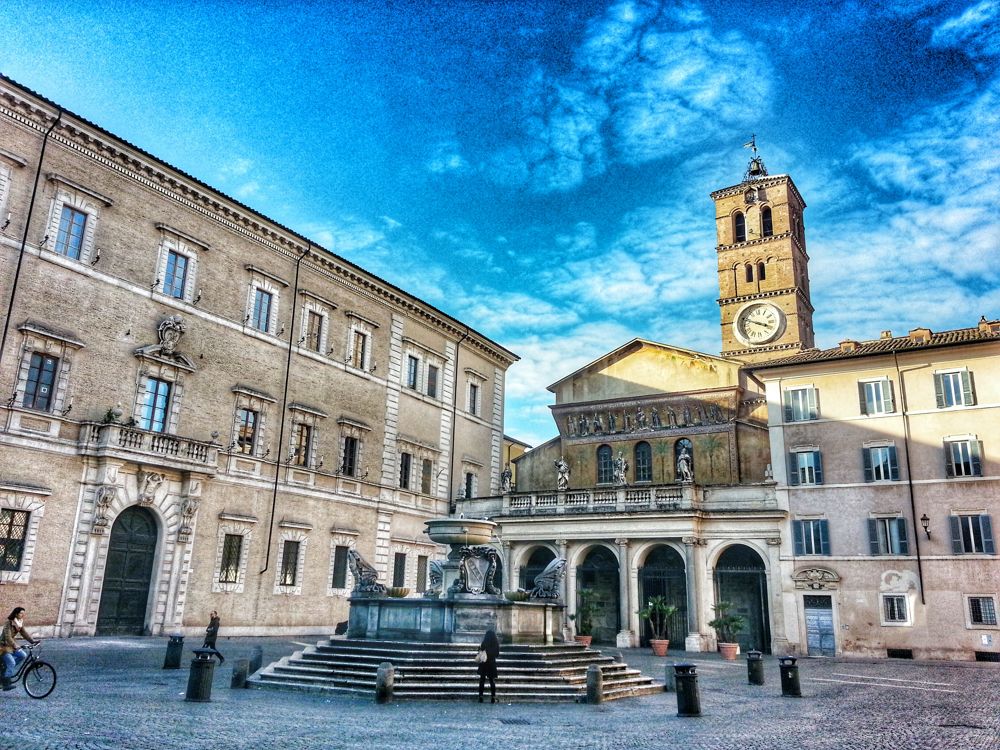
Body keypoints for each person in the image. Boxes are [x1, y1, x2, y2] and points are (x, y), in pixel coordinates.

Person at [2, 607, 38, 690]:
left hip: (11, 646)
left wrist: (32, 641)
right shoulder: (9, 623)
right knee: (11, 662)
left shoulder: (19, 622)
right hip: (3, 646)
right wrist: (15, 644)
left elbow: (24, 633)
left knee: (23, 655)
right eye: (21, 613)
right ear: (16, 614)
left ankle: (7, 669)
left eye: (23, 613)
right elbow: (7, 636)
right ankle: (5, 683)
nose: (23, 615)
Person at [477, 628, 500, 703]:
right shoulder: (495, 643)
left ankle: (480, 695)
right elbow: (497, 654)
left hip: (484, 663)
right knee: (491, 681)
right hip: (491, 663)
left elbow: (480, 651)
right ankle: (493, 696)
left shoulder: (484, 642)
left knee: (482, 680)